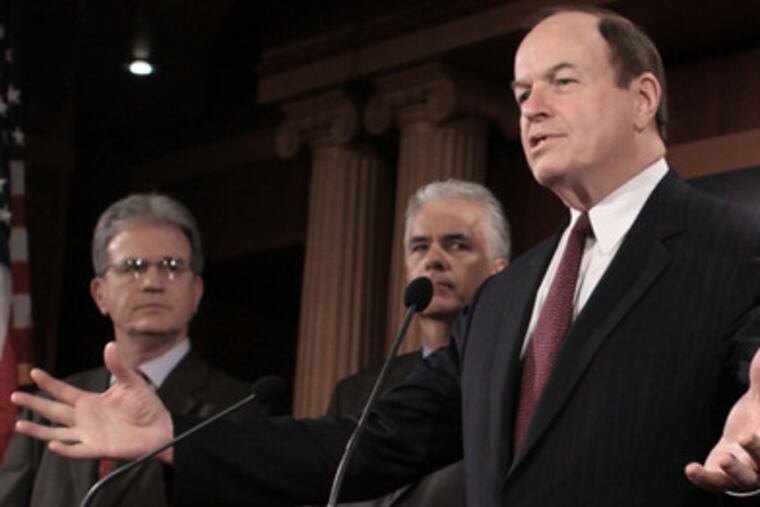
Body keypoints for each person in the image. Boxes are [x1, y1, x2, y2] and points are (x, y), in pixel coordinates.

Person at [10, 5, 760, 506]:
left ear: (642, 98)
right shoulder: (508, 297)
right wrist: (176, 439)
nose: (532, 106)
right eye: (521, 90)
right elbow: (364, 441)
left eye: (562, 82)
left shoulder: (736, 250)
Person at [0, 194, 274, 507]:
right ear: (100, 294)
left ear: (196, 293)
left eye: (172, 266)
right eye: (134, 267)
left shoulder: (239, 411)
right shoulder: (50, 408)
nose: (152, 282)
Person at [327, 179, 510, 507]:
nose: (433, 260)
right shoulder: (354, 394)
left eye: (457, 245)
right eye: (419, 247)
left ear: (499, 274)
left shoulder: (516, 383)